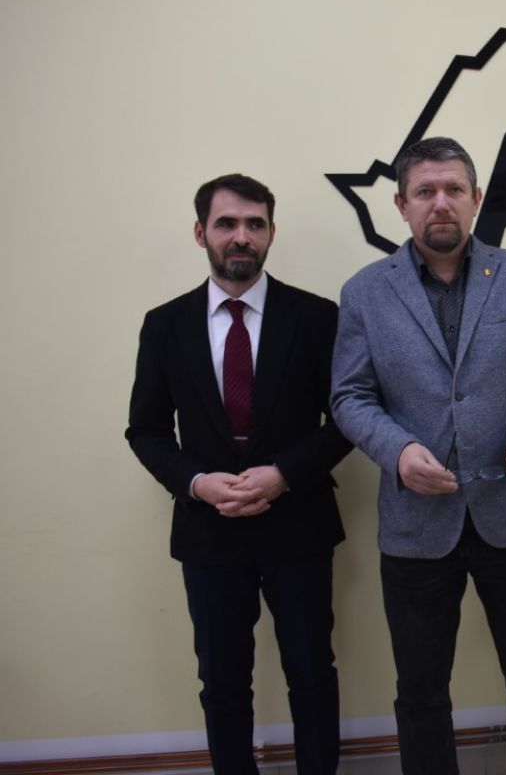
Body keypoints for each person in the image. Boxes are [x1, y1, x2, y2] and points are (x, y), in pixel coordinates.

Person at [331, 136, 506, 775]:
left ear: (475, 200)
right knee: (420, 694)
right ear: (401, 204)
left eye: (453, 190)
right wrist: (398, 451)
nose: (440, 203)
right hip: (416, 525)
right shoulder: (365, 292)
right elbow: (349, 396)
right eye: (425, 191)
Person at [126, 174, 352, 775]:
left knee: (312, 673)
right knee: (222, 681)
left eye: (255, 224)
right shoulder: (165, 324)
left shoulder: (317, 317)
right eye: (227, 223)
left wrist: (284, 473)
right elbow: (145, 431)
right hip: (209, 530)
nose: (242, 236)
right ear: (201, 232)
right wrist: (197, 482)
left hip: (298, 523)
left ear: (272, 232)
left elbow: (348, 419)